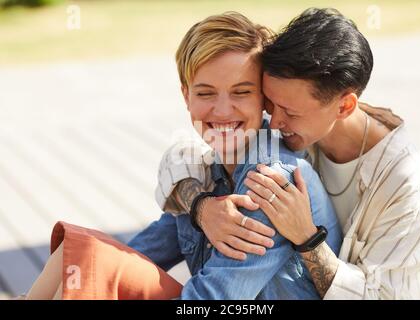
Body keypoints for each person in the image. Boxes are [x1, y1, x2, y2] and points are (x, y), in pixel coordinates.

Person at [24, 11, 341, 300]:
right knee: (80, 252)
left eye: (241, 92)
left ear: (264, 99)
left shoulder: (271, 181)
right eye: (205, 93)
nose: (222, 110)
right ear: (186, 96)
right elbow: (136, 254)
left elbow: (212, 299)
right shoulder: (207, 172)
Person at [157, 8, 420, 299]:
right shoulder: (295, 126)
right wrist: (200, 207)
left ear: (343, 107)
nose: (273, 121)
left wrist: (308, 239)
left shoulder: (407, 186)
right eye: (270, 103)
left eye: (289, 112)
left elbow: (383, 297)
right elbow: (185, 154)